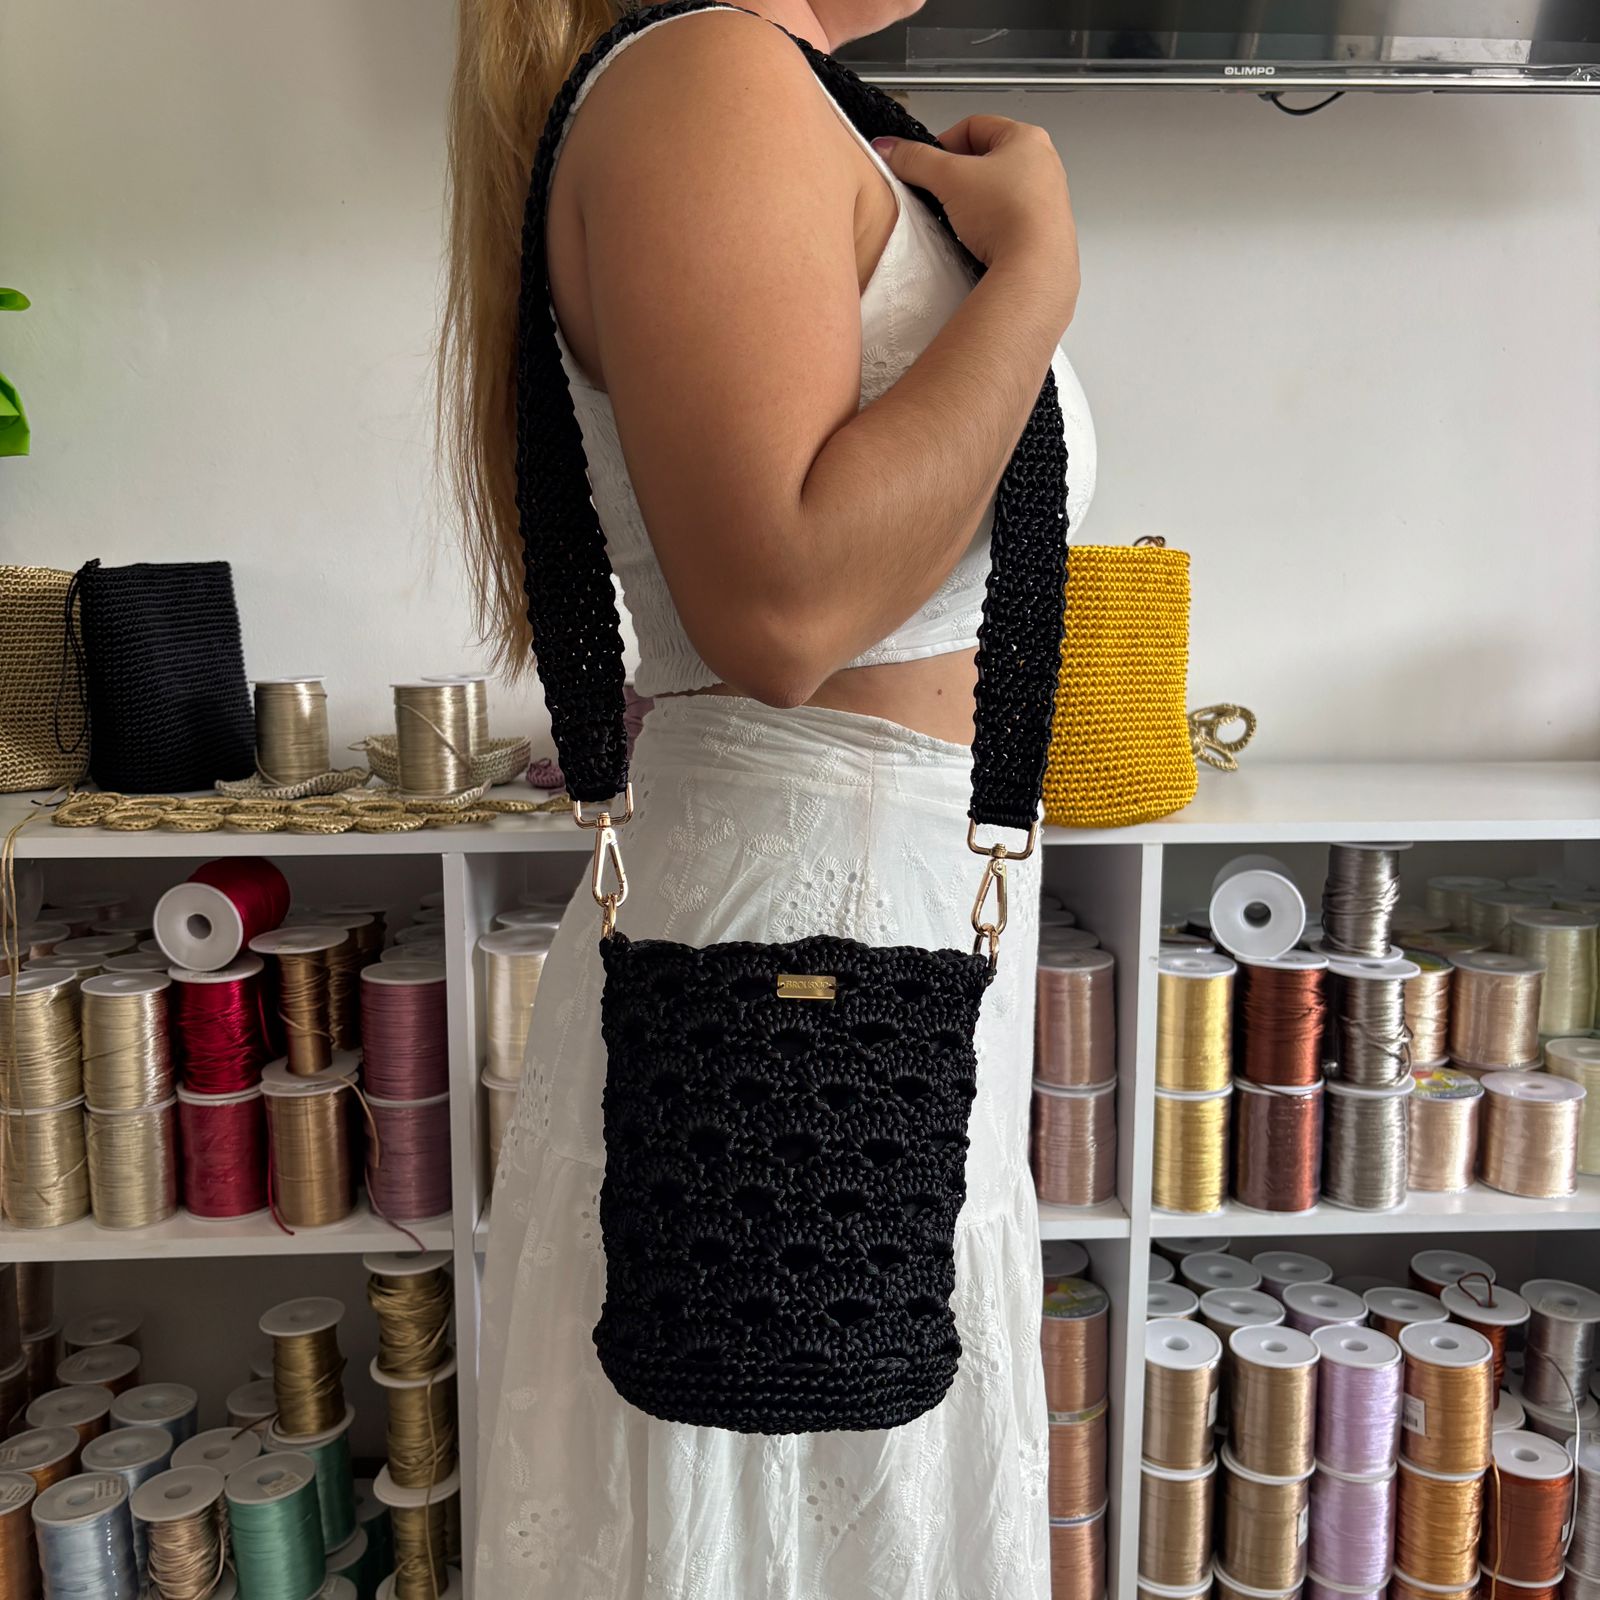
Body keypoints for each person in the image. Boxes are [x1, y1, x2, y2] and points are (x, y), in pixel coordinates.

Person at [442, 0, 1096, 1593]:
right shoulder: (709, 76)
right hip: (806, 932)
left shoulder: (783, 95)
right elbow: (785, 611)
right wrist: (1036, 274)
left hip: (848, 919)